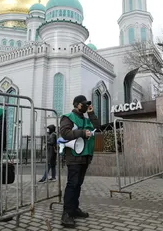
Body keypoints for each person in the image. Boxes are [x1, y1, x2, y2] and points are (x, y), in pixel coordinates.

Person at [59, 95, 100, 228]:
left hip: (85, 156)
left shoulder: (86, 118)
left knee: (78, 184)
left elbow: (97, 127)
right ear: (76, 104)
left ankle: (74, 209)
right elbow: (65, 133)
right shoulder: (68, 117)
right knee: (72, 184)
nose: (85, 106)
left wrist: (91, 113)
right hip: (74, 156)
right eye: (83, 104)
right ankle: (66, 214)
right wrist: (82, 133)